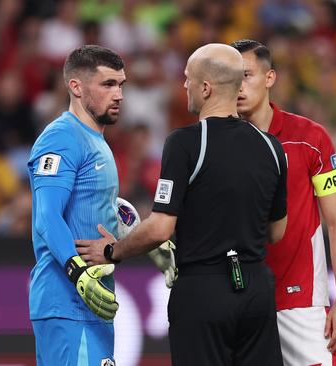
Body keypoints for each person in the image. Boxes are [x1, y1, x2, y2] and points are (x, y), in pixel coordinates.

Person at [75, 43, 288, 366]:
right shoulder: (271, 146)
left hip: (203, 289)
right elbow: (276, 231)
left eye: (188, 78)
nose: (184, 85)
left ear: (205, 87)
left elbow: (161, 227)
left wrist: (112, 250)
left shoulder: (185, 143)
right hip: (256, 289)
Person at [231, 39, 336, 366]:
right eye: (231, 78)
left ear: (270, 78)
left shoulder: (311, 138)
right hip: (238, 301)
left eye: (247, 76)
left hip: (301, 301)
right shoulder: (217, 143)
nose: (239, 87)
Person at [27, 45, 125, 365]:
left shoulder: (95, 140)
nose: (119, 94)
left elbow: (97, 206)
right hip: (67, 300)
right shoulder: (61, 137)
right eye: (108, 84)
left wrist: (146, 238)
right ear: (76, 87)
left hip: (92, 304)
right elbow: (47, 216)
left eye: (121, 84)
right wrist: (78, 272)